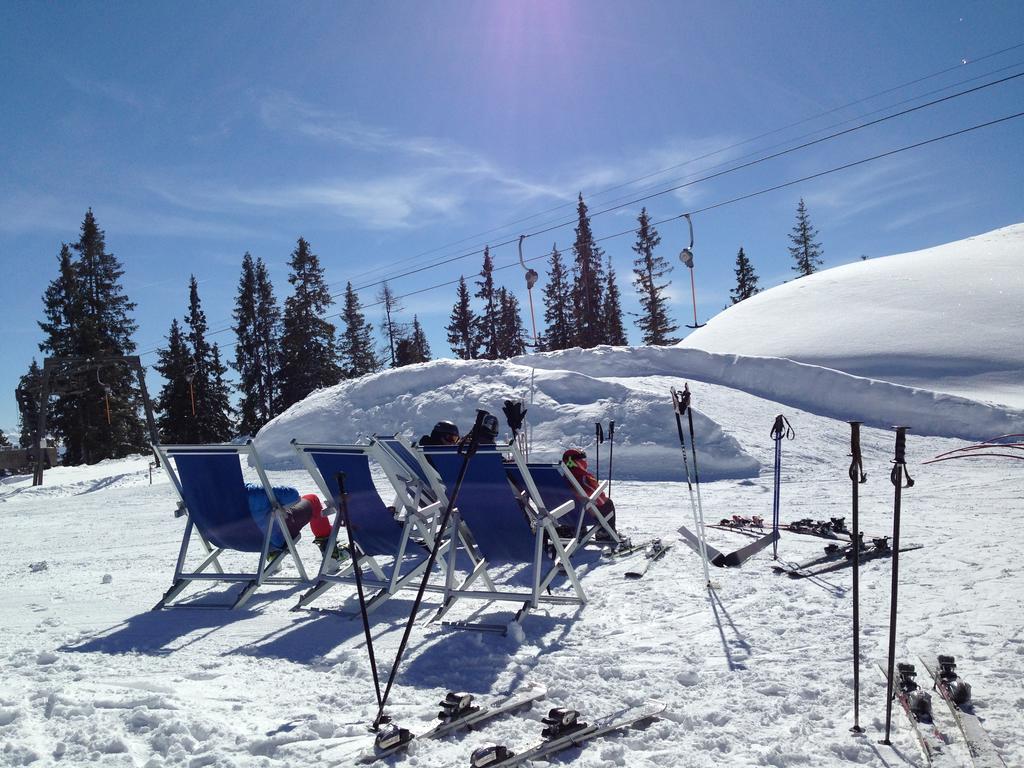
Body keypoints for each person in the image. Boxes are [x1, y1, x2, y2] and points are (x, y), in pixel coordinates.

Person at [562, 448, 617, 542]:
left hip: (566, 515)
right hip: (584, 515)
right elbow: (600, 499)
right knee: (608, 503)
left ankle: (577, 530)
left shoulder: (560, 479)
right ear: (575, 462)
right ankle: (604, 533)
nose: (585, 462)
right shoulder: (584, 478)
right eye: (582, 460)